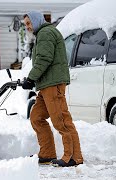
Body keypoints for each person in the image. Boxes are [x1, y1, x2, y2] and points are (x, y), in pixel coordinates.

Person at [22, 11, 84, 167]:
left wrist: (31, 78)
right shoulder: (43, 34)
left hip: (53, 84)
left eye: (29, 23)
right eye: (26, 25)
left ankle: (73, 157)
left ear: (36, 21)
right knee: (36, 117)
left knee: (61, 120)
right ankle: (47, 153)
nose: (28, 27)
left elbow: (44, 58)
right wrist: (32, 79)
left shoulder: (46, 33)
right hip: (45, 85)